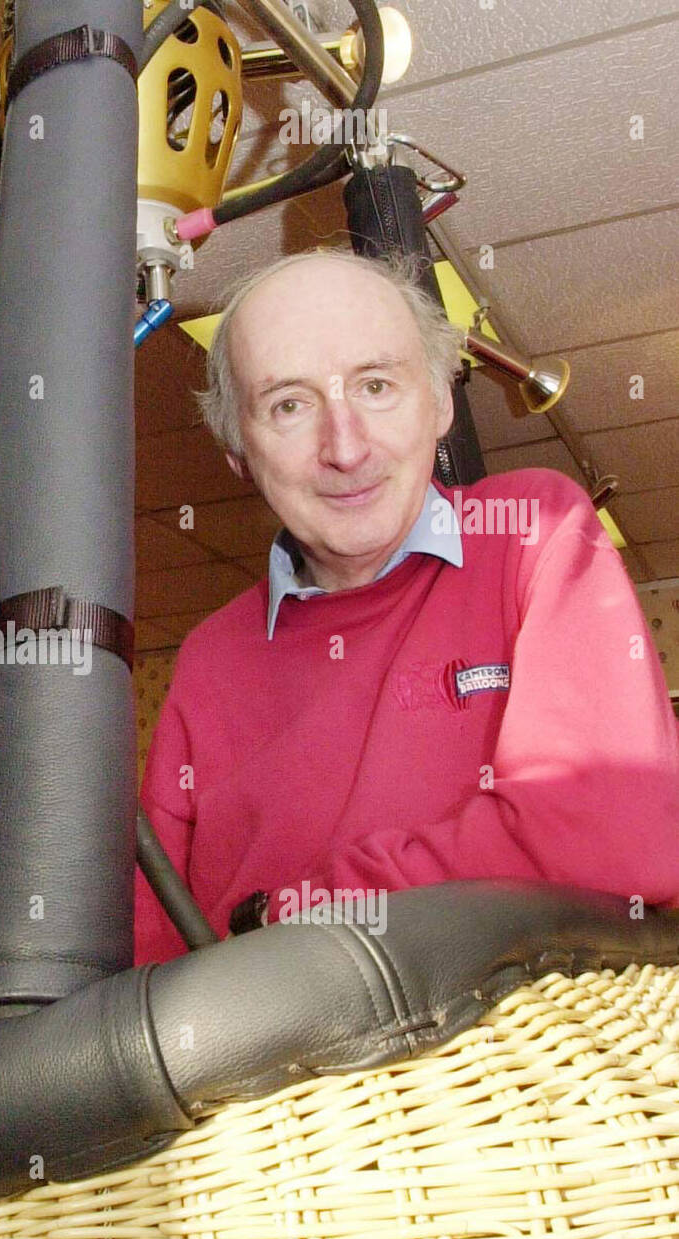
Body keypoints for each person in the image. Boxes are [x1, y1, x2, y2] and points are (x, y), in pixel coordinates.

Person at [135, 250, 679, 964]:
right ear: (238, 451)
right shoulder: (208, 660)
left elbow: (615, 832)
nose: (345, 446)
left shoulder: (530, 532)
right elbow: (143, 967)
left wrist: (292, 920)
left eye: (376, 386)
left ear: (440, 402)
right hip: (264, 1073)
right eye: (288, 405)